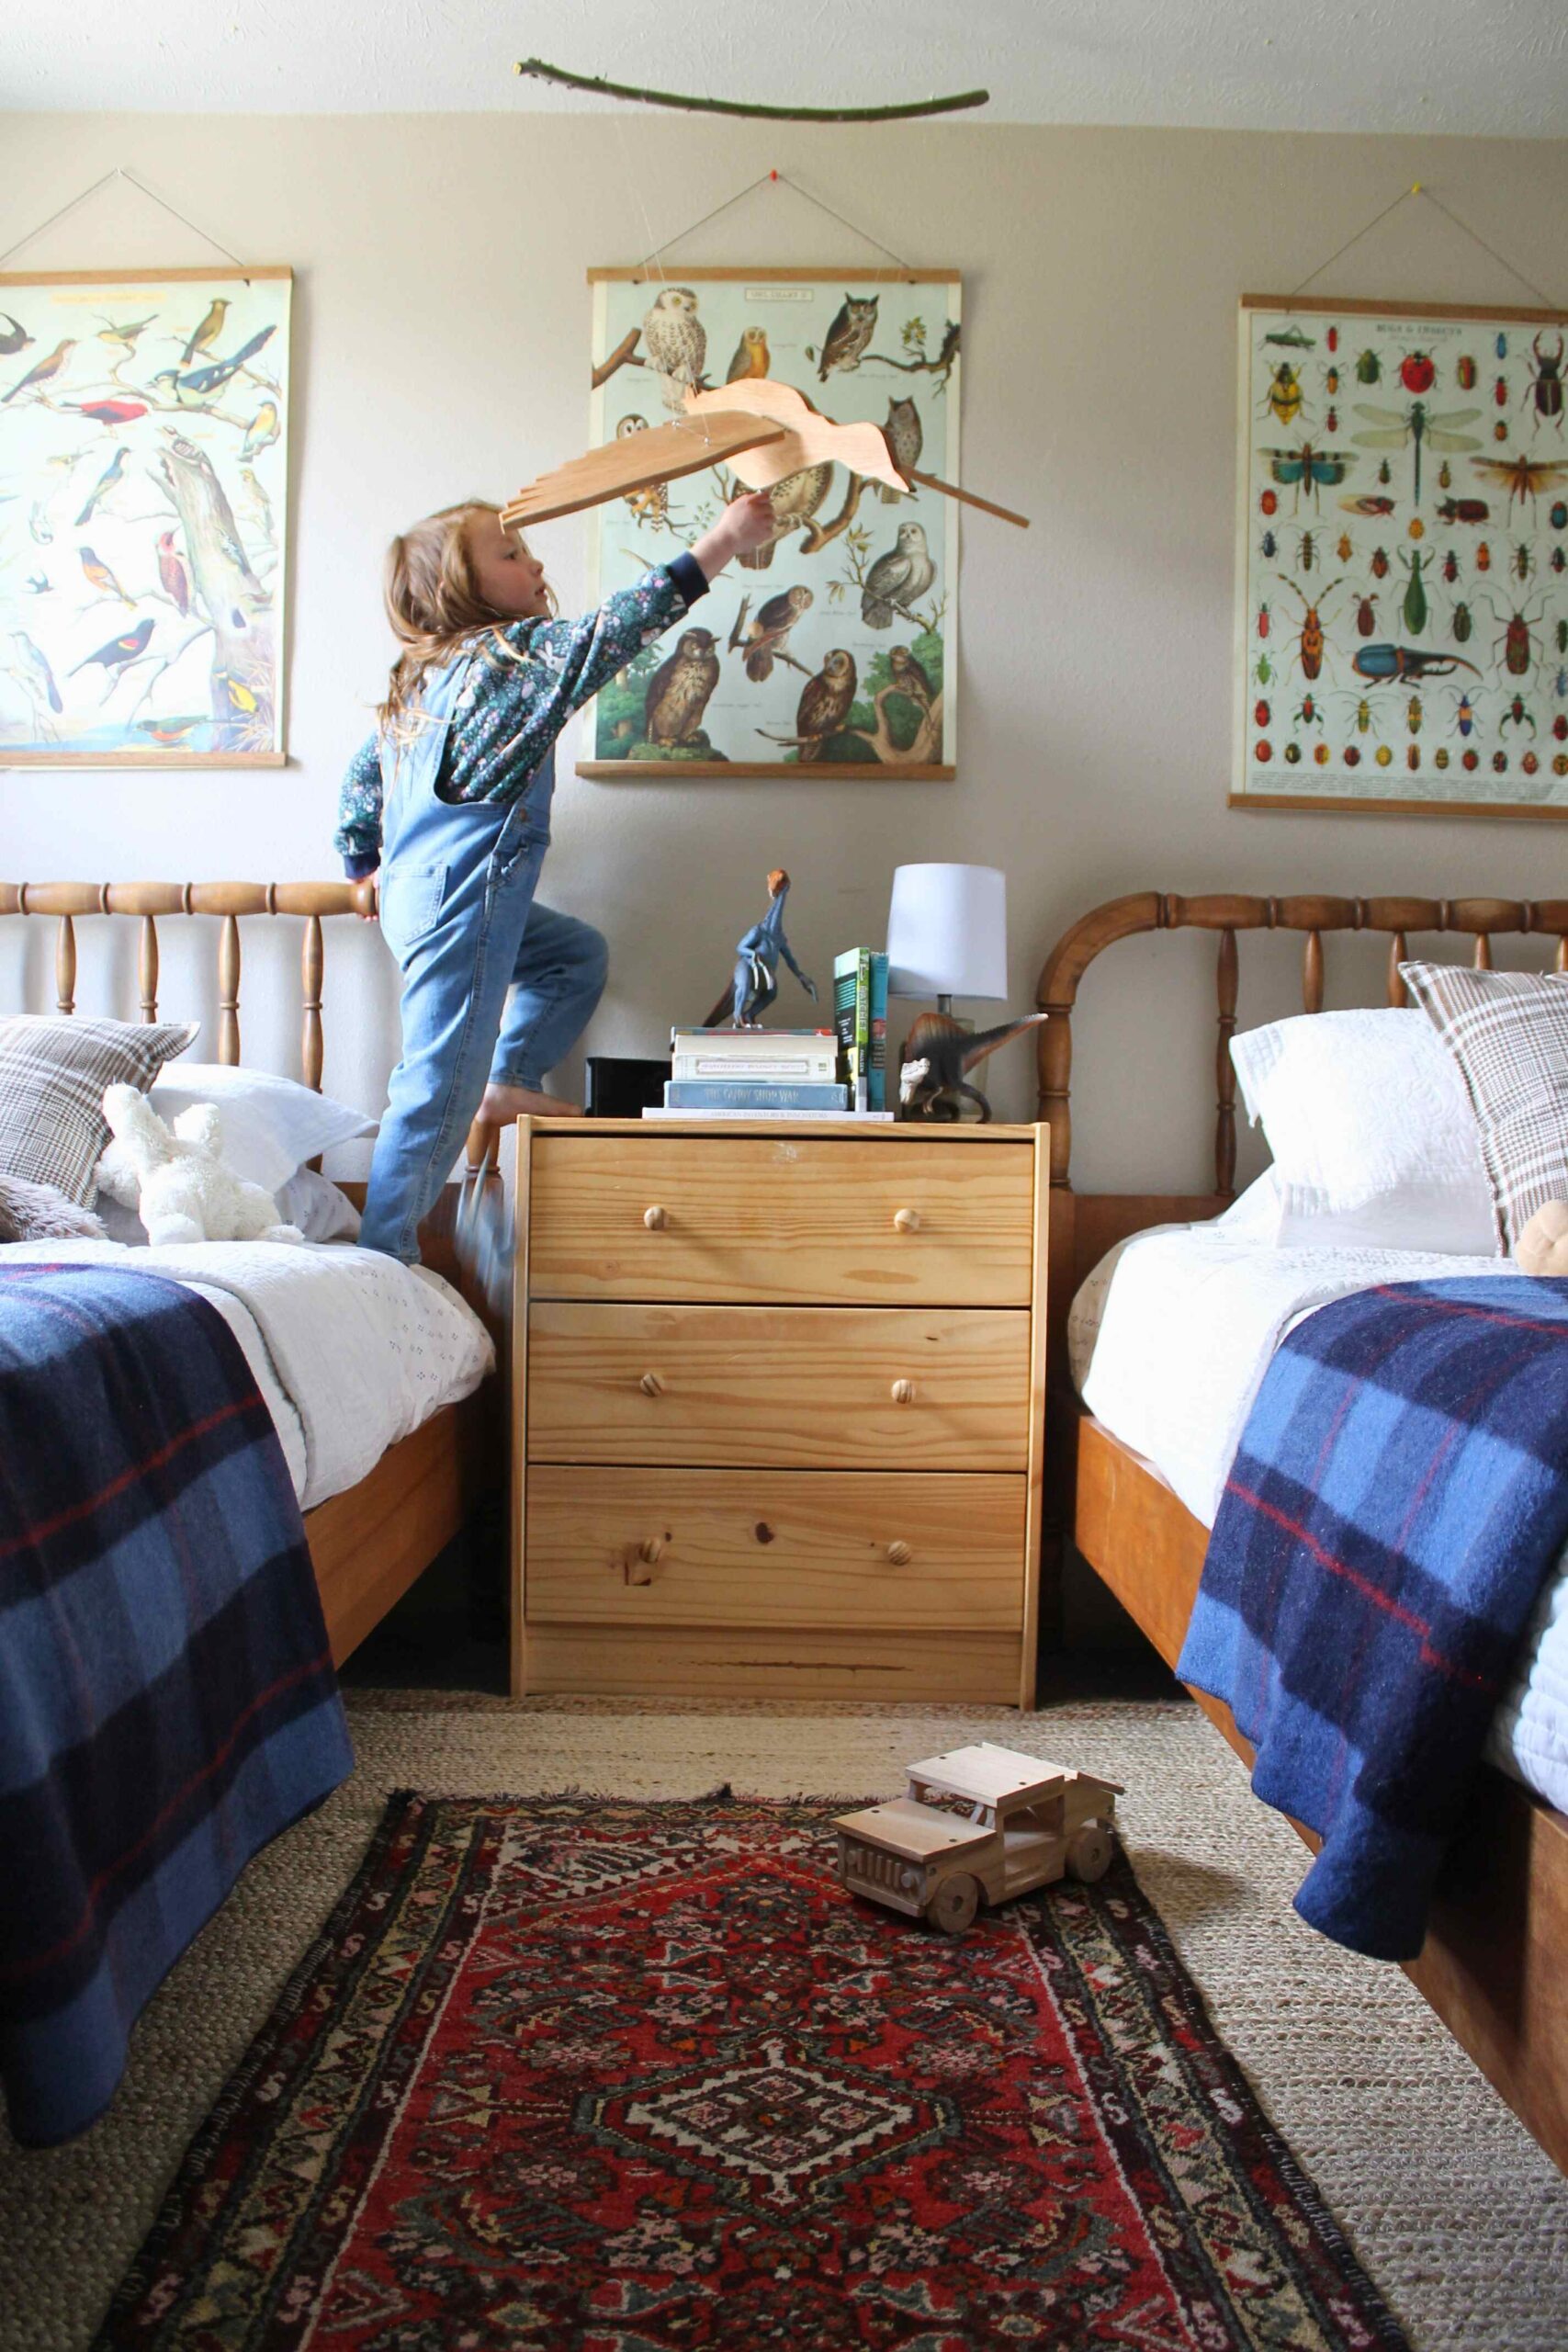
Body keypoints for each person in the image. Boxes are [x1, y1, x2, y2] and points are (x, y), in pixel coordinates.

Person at [334, 489, 776, 1261]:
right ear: (460, 588)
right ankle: (385, 1255)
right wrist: (721, 541)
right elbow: (618, 629)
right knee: (437, 1083)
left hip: (417, 890)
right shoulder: (514, 661)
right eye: (509, 554)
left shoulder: (420, 684)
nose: (534, 563)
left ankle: (508, 1077)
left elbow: (363, 774)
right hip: (460, 903)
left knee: (572, 955)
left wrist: (361, 862)